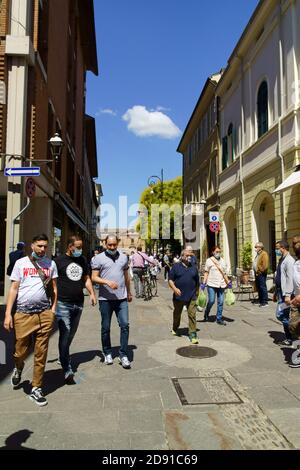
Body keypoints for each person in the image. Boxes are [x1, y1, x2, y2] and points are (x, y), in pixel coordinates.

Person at [4, 233, 58, 406]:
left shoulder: (51, 264)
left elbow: (54, 289)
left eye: (45, 246)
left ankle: (36, 387)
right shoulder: (21, 263)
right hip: (23, 314)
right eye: (40, 246)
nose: (43, 249)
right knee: (20, 350)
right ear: (32, 245)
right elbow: (13, 289)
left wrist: (53, 310)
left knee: (41, 353)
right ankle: (18, 367)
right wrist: (7, 314)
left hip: (44, 314)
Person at [55, 235, 97, 382]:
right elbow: (52, 283)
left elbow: (86, 278)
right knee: (65, 334)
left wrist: (92, 293)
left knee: (71, 334)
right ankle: (67, 368)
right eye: (78, 247)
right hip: (62, 304)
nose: (80, 250)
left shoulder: (82, 260)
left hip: (78, 303)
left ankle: (62, 355)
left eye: (81, 247)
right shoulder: (58, 261)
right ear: (70, 246)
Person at [91, 235, 132, 368]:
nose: (112, 247)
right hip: (105, 299)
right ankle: (107, 352)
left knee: (125, 325)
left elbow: (126, 277)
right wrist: (107, 282)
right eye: (109, 245)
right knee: (105, 328)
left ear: (117, 243)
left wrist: (129, 292)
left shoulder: (124, 257)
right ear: (105, 244)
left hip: (121, 298)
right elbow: (94, 277)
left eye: (114, 244)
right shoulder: (98, 259)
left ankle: (123, 354)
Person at [168, 249, 199, 344]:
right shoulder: (176, 267)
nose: (189, 257)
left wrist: (198, 293)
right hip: (179, 296)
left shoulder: (194, 267)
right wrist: (175, 289)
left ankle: (193, 334)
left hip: (192, 295)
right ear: (182, 256)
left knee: (192, 314)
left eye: (190, 255)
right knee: (177, 314)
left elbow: (197, 281)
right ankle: (175, 327)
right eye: (187, 255)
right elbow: (170, 280)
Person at [202, 245, 230, 325]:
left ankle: (219, 318)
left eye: (219, 252)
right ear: (213, 252)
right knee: (211, 300)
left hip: (221, 284)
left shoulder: (223, 261)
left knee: (221, 302)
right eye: (217, 252)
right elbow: (206, 272)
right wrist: (204, 283)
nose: (218, 253)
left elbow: (224, 273)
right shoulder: (209, 260)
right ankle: (207, 312)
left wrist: (228, 282)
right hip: (211, 284)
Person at [273, 240, 294, 346]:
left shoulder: (289, 261)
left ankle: (291, 336)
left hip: (286, 293)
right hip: (280, 292)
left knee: (281, 315)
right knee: (282, 316)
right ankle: (291, 336)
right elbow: (279, 276)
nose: (276, 250)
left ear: (283, 248)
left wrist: (288, 295)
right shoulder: (282, 259)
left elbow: (290, 279)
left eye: (277, 248)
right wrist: (275, 292)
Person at [288, 235, 300, 367]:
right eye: (293, 243)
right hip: (296, 301)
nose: (293, 246)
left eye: (296, 243)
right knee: (293, 326)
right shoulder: (296, 261)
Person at [253, 242, 269, 307]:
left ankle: (265, 302)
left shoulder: (264, 254)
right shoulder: (258, 254)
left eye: (256, 247)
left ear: (260, 248)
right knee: (259, 287)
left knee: (262, 287)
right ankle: (260, 300)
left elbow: (265, 265)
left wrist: (259, 270)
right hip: (257, 273)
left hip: (261, 273)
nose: (255, 248)